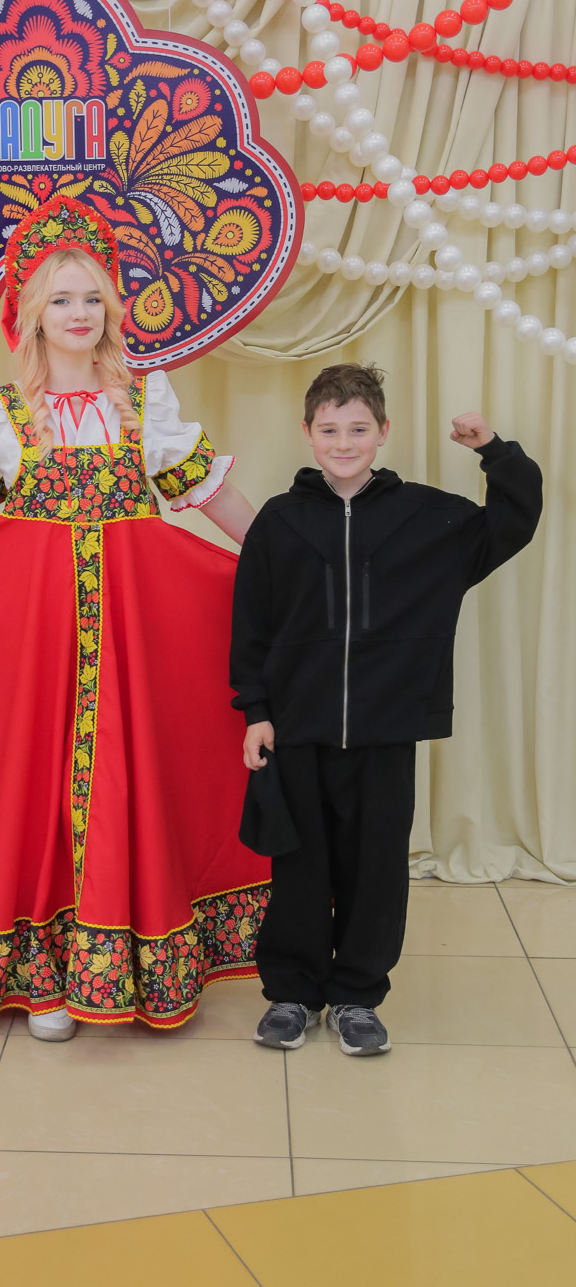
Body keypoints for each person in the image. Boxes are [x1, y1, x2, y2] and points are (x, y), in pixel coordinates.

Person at [0, 194, 270, 1039]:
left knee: (125, 779)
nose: (79, 313)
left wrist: (292, 561)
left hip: (129, 637)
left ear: (112, 309)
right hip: (31, 641)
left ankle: (126, 962)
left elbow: (216, 498)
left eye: (92, 297)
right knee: (33, 787)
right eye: (61, 299)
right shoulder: (1, 413)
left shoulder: (143, 403)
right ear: (33, 316)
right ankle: (40, 978)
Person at [230, 362, 542, 1056]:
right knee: (299, 867)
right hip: (298, 730)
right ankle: (292, 993)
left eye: (358, 429)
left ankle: (356, 996)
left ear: (383, 432)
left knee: (375, 870)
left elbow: (515, 519)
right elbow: (250, 623)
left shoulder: (429, 519)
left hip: (387, 730)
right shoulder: (281, 521)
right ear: (307, 433)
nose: (344, 443)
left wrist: (493, 450)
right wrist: (256, 711)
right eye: (330, 430)